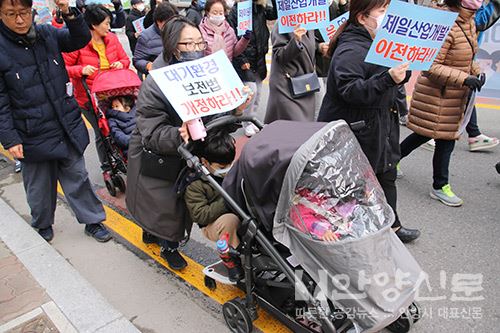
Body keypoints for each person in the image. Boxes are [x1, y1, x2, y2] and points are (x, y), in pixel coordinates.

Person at [126, 16, 252, 270]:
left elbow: (216, 116)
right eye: (188, 44)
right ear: (173, 47)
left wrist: (235, 110)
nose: (196, 49)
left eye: (199, 43)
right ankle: (168, 246)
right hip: (163, 156)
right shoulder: (155, 82)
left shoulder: (208, 71)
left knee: (181, 206)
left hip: (195, 152)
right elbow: (151, 131)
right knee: (166, 210)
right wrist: (177, 133)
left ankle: (157, 234)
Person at [0, 0, 111, 243]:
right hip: (31, 131)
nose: (19, 20)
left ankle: (93, 221)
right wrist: (10, 138)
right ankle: (42, 224)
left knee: (78, 178)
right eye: (11, 14)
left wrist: (67, 11)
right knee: (39, 188)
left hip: (65, 124)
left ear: (31, 12)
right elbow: (1, 101)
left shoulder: (46, 34)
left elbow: (79, 38)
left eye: (24, 13)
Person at [317, 0, 420, 243]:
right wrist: (387, 79)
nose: (387, 16)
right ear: (363, 17)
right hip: (357, 129)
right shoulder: (352, 48)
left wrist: (400, 74)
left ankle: (392, 227)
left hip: (380, 123)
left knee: (387, 174)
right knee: (355, 185)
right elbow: (349, 89)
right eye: (382, 11)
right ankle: (352, 234)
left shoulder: (381, 42)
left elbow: (390, 79)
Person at [400, 0, 484, 207]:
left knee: (425, 134)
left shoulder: (469, 22)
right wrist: (463, 78)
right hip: (438, 94)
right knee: (445, 139)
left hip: (454, 95)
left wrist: (476, 71)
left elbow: (466, 58)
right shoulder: (443, 24)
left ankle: (390, 160)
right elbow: (430, 66)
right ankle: (440, 186)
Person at [63, 4, 130, 165]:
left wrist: (121, 64)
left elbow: (125, 59)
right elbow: (63, 68)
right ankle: (107, 166)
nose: (109, 27)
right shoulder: (78, 42)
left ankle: (125, 158)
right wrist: (81, 70)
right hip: (89, 98)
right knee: (102, 133)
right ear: (94, 25)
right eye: (106, 23)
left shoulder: (112, 39)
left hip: (114, 94)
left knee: (121, 126)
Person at [184, 129, 241, 280]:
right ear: (204, 162)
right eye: (222, 167)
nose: (227, 169)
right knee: (231, 221)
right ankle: (230, 260)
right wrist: (227, 200)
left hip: (237, 210)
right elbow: (200, 215)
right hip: (213, 223)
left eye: (230, 164)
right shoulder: (195, 184)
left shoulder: (231, 170)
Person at [227, 0, 277, 136]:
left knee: (258, 93)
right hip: (245, 59)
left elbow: (275, 13)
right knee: (251, 92)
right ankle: (245, 122)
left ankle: (252, 120)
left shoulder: (260, 9)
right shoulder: (236, 12)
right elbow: (232, 38)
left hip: (259, 57)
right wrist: (241, 59)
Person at [264, 24, 318, 123]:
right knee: (294, 126)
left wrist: (320, 47)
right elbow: (280, 56)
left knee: (302, 128)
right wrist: (296, 41)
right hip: (286, 86)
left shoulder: (310, 25)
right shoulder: (282, 24)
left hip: (306, 85)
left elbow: (310, 49)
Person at [314, 0, 348, 120]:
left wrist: (343, 4)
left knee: (332, 104)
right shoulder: (309, 7)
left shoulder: (336, 5)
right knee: (319, 106)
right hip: (314, 65)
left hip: (334, 64)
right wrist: (317, 46)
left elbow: (349, 24)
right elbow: (301, 36)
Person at [133, 1, 177, 76]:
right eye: (168, 22)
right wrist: (148, 65)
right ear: (159, 22)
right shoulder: (146, 37)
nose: (172, 25)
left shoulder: (180, 30)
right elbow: (137, 60)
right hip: (159, 76)